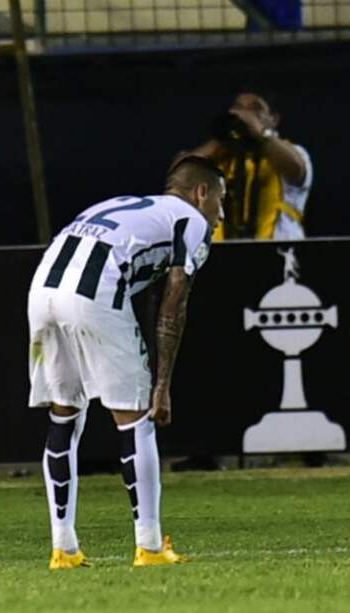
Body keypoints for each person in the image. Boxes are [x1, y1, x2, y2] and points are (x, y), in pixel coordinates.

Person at [27, 156, 225, 569]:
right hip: (92, 294)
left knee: (64, 416)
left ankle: (63, 548)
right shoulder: (192, 221)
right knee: (137, 420)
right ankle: (150, 547)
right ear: (200, 192)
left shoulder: (122, 203)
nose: (221, 214)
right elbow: (175, 301)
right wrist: (163, 383)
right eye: (220, 201)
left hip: (41, 292)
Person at [186, 89, 311, 241]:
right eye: (239, 108)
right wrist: (225, 133)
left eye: (255, 109)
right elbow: (183, 175)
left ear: (274, 119)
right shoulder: (221, 155)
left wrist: (260, 131)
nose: (245, 114)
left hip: (278, 251)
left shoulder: (295, 152)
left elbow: (296, 169)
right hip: (224, 254)